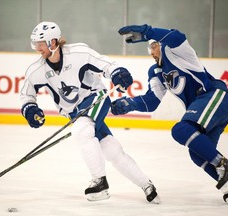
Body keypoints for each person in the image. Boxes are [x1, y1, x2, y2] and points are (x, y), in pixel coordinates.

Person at [20, 21, 160, 203]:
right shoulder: (37, 70)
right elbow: (26, 95)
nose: (37, 48)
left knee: (81, 131)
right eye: (35, 44)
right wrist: (30, 110)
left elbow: (106, 64)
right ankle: (147, 185)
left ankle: (100, 182)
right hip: (73, 113)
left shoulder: (79, 53)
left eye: (40, 43)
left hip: (96, 98)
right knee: (111, 150)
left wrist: (118, 73)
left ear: (53, 42)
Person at [111, 24, 228, 205]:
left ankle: (225, 166)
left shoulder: (178, 51)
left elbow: (176, 36)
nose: (151, 52)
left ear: (161, 44)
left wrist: (147, 31)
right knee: (197, 153)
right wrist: (128, 104)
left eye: (153, 46)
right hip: (206, 108)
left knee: (180, 129)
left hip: (214, 97)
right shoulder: (155, 71)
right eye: (149, 48)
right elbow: (152, 101)